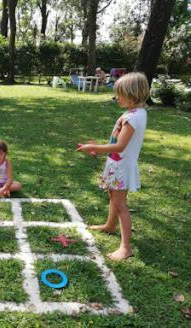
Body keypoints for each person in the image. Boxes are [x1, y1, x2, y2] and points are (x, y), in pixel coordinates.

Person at [77, 72, 149, 261]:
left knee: (120, 203)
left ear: (133, 95)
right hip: (116, 164)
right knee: (113, 197)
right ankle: (110, 225)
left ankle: (126, 247)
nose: (116, 97)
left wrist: (95, 148)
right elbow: (116, 141)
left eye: (120, 94)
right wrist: (101, 150)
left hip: (122, 167)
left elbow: (120, 146)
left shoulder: (134, 117)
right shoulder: (133, 113)